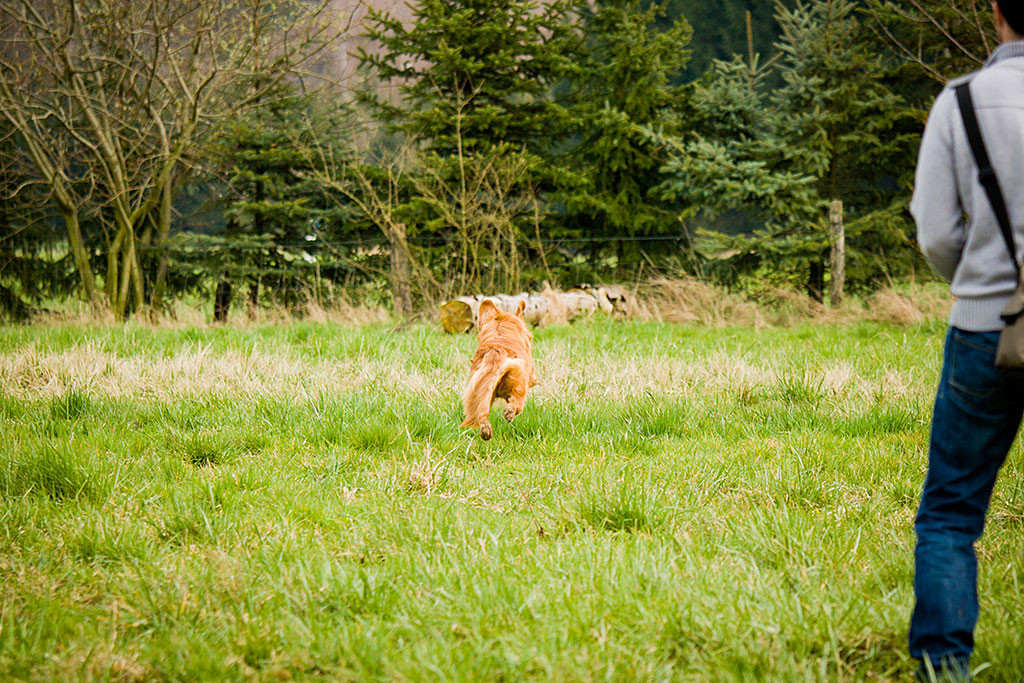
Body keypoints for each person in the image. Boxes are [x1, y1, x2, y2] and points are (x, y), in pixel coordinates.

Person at [909, 1, 1024, 679]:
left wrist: (981, 284)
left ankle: (944, 666)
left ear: (995, 10)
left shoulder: (962, 102)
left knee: (951, 510)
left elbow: (935, 232)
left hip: (985, 327)